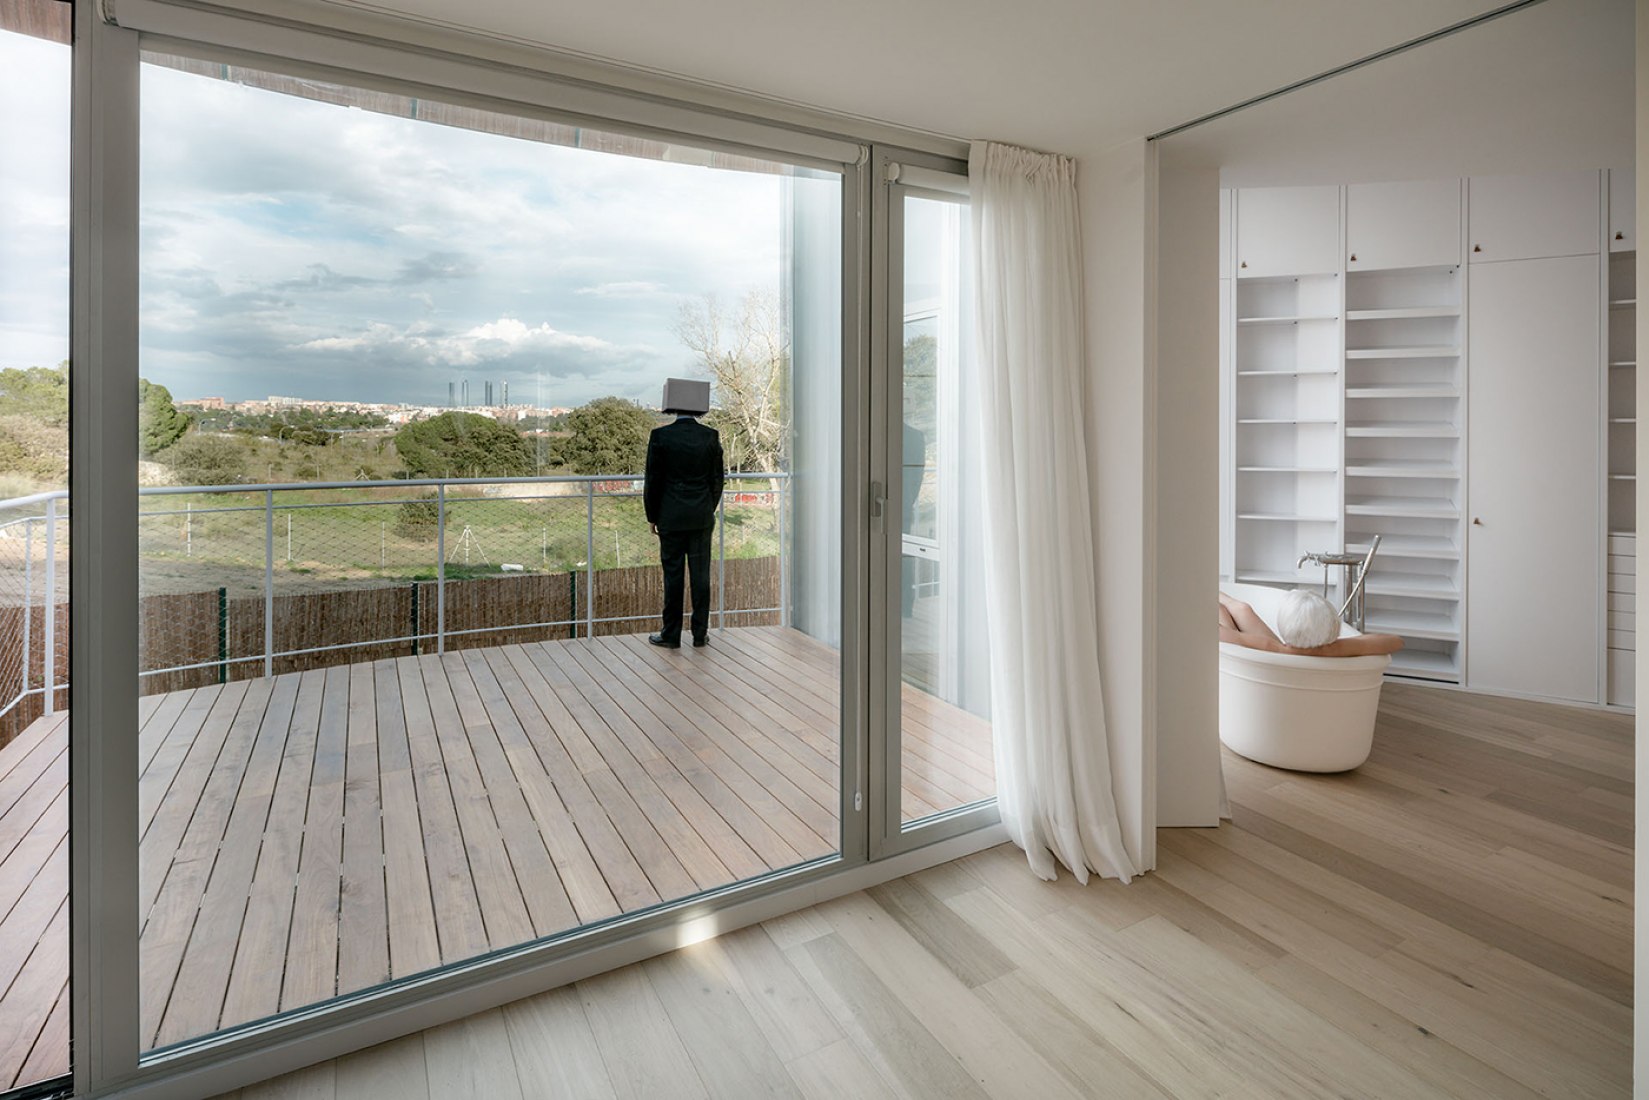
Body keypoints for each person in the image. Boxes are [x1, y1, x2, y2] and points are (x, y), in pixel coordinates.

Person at [644, 379, 724, 649]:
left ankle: (671, 635)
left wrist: (652, 516)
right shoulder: (710, 436)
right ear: (699, 409)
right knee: (701, 577)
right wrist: (707, 507)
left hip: (670, 517)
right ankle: (700, 634)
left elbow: (652, 480)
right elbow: (717, 480)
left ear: (673, 407)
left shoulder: (660, 436)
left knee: (673, 577)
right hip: (701, 516)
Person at [1219, 589, 1403, 657]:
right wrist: (1332, 646)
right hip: (1290, 654)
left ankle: (1208, 590)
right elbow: (1395, 641)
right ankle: (1212, 590)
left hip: (1269, 658)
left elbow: (1219, 633)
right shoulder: (1337, 649)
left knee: (1221, 610)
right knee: (1243, 609)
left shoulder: (1273, 647)